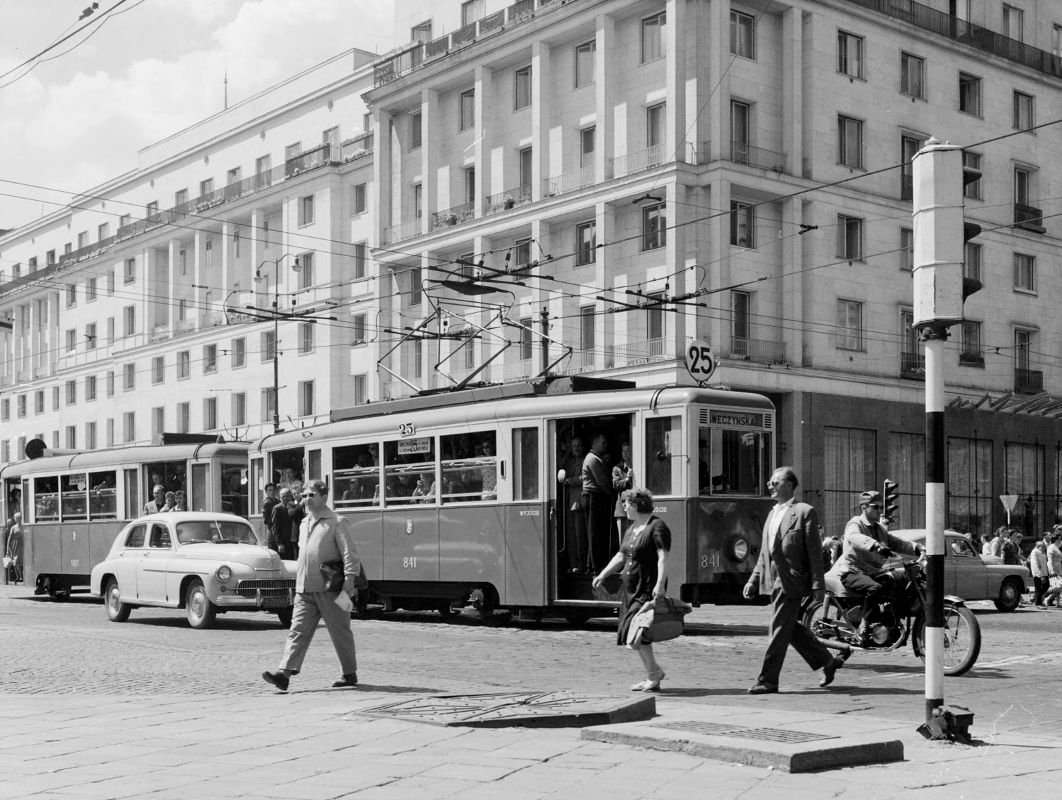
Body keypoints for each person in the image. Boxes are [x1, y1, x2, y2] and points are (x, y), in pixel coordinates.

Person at [742, 466, 844, 694]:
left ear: (789, 485)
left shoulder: (804, 511)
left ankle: (768, 680)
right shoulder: (771, 514)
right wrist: (753, 580)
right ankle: (827, 661)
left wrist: (818, 585)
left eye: (775, 482)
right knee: (789, 627)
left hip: (792, 581)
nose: (770, 485)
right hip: (774, 580)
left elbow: (814, 552)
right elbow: (765, 554)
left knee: (778, 629)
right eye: (770, 482)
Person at [262, 480, 362, 691]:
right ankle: (284, 674)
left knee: (340, 631)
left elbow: (349, 553)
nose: (307, 499)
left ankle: (349, 673)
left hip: (332, 588)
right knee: (297, 630)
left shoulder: (336, 521)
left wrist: (350, 580)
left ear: (324, 497)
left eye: (312, 495)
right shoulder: (304, 522)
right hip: (305, 589)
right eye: (305, 495)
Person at [592, 487, 671, 692]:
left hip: (646, 588)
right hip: (631, 589)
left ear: (636, 505)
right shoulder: (631, 528)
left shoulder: (657, 527)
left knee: (635, 632)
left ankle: (654, 674)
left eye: (626, 504)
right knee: (637, 633)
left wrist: (660, 585)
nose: (624, 508)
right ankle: (653, 674)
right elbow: (621, 556)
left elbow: (663, 558)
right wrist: (603, 574)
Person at [826, 490, 923, 644]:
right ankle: (863, 628)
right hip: (852, 571)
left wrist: (917, 548)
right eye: (876, 507)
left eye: (881, 507)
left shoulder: (879, 529)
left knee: (899, 580)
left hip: (872, 572)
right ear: (864, 507)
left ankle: (888, 622)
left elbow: (896, 542)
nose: (880, 510)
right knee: (874, 589)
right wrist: (875, 545)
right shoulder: (855, 523)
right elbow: (854, 536)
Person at [582, 432, 612, 573]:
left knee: (595, 532)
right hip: (594, 497)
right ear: (594, 442)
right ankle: (596, 566)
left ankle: (591, 564)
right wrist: (612, 494)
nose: (605, 445)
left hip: (595, 497)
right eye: (603, 443)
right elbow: (603, 482)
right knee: (595, 533)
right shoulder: (593, 460)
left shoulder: (595, 458)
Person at [559, 437, 588, 573]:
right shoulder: (570, 462)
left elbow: (584, 478)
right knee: (571, 537)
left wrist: (570, 481)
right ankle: (573, 563)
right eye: (573, 446)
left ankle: (581, 565)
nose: (576, 448)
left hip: (578, 502)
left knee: (580, 536)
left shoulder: (585, 460)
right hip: (570, 502)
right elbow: (560, 465)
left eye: (578, 445)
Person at [268, 487, 303, 561]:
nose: (286, 498)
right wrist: (279, 543)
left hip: (290, 542)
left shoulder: (293, 507)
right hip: (280, 542)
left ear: (291, 496)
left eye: (287, 496)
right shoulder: (277, 508)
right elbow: (275, 527)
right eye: (283, 496)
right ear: (280, 498)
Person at [612, 442, 635, 541]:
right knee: (624, 539)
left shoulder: (637, 466)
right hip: (622, 508)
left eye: (628, 451)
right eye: (623, 451)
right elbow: (615, 484)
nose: (626, 453)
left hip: (636, 507)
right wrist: (627, 479)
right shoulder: (617, 468)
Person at [1030, 536, 1049, 608]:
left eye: (1044, 547)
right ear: (1038, 546)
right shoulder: (1035, 552)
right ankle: (1038, 603)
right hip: (1038, 574)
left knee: (1046, 586)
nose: (1044, 548)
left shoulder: (1042, 552)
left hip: (1044, 573)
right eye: (1043, 547)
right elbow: (1035, 564)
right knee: (1038, 588)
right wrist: (1040, 575)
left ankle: (1036, 598)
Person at [1044, 531, 1062, 608]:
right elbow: (1050, 560)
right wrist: (1052, 570)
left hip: (1058, 568)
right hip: (1053, 568)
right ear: (1058, 538)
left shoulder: (1057, 547)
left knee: (1059, 586)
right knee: (1057, 586)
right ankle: (1044, 596)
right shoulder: (1051, 547)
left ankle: (1048, 599)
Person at [5, 512, 23, 584]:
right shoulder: (13, 527)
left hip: (22, 545)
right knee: (15, 562)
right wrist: (8, 549)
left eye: (19, 518)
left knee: (19, 562)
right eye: (16, 518)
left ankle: (20, 577)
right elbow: (9, 538)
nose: (17, 519)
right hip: (15, 546)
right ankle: (19, 576)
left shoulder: (23, 526)